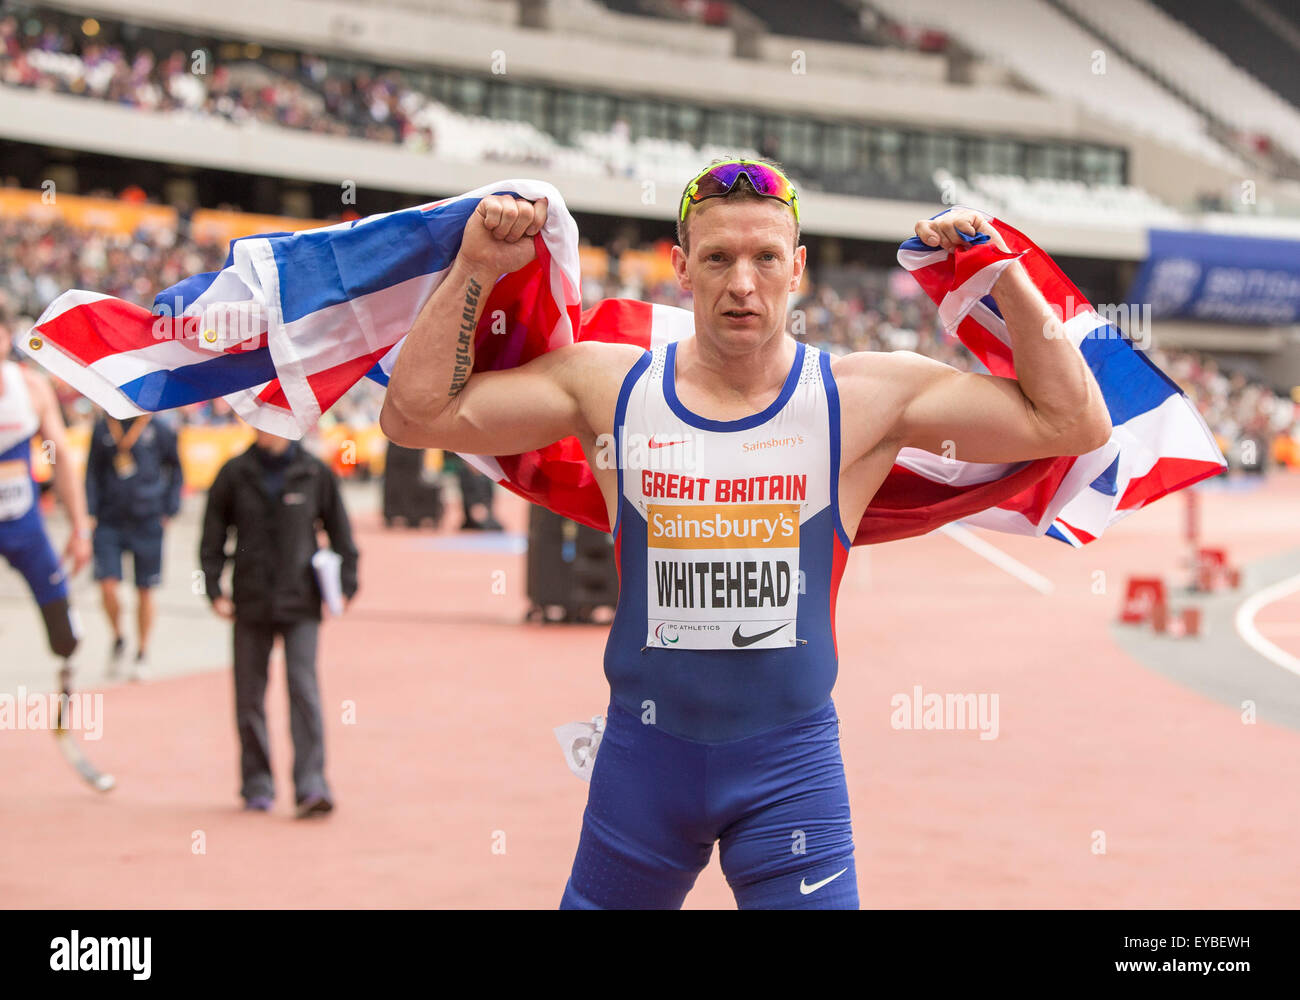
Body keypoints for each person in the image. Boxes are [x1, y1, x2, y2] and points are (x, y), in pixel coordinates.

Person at [379, 159, 1112, 909]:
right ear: (680, 269)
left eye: (765, 258)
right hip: (644, 768)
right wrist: (475, 264)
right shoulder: (610, 388)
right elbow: (413, 416)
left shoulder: (862, 397)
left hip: (789, 775)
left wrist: (1001, 273)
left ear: (795, 269)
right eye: (718, 258)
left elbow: (1072, 423)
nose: (742, 284)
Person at [198, 428, 359, 818]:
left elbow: (341, 533)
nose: (263, 428)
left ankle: (311, 785)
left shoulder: (314, 472)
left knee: (303, 688)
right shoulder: (234, 473)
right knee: (249, 695)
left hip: (300, 599)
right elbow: (212, 536)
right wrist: (214, 587)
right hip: (250, 600)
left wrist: (347, 584)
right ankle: (257, 783)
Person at [0, 318, 91, 691]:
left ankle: (67, 671)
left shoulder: (31, 388)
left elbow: (59, 460)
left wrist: (80, 527)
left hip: (24, 525)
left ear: (6, 339)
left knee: (63, 630)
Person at [85, 410, 182, 680]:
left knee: (145, 590)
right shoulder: (104, 426)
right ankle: (118, 637)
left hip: (148, 519)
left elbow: (175, 467)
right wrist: (90, 511)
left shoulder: (159, 428)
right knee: (107, 585)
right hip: (109, 520)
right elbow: (92, 471)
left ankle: (142, 651)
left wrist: (169, 508)